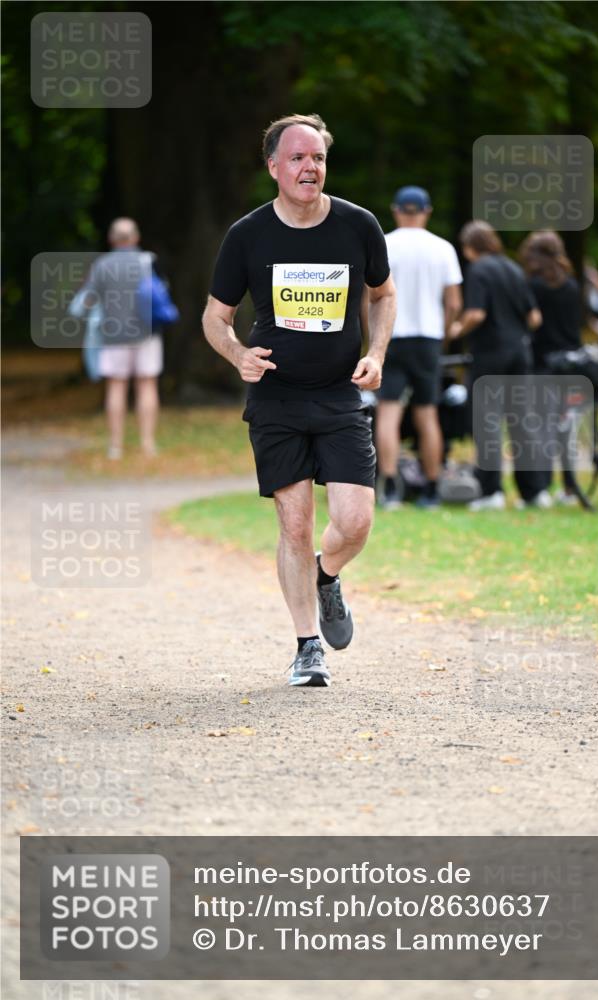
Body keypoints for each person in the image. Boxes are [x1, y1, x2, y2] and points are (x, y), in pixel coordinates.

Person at [202, 114, 396, 688]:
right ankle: (307, 645)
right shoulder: (248, 235)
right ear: (273, 168)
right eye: (297, 158)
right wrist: (237, 353)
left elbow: (382, 296)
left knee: (356, 522)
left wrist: (378, 352)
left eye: (317, 158)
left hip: (339, 394)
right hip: (277, 399)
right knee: (295, 524)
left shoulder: (359, 225)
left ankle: (326, 575)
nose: (309, 167)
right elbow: (216, 317)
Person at [449, 220, 548, 511]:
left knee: (487, 422)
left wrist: (456, 329)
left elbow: (477, 314)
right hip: (520, 353)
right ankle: (533, 492)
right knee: (521, 420)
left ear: (469, 247)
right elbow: (535, 318)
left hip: (490, 353)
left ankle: (491, 491)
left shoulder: (479, 270)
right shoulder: (514, 269)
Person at [375, 186, 462, 510]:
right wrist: (443, 335)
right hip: (428, 338)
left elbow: (369, 296)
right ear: (426, 211)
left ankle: (390, 486)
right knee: (427, 415)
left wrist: (372, 339)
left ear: (396, 210)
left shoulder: (384, 243)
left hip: (392, 335)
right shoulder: (442, 248)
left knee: (388, 413)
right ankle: (431, 487)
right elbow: (453, 303)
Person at [85, 218, 164, 460]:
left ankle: (115, 446)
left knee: (116, 387)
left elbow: (89, 299)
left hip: (113, 335)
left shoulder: (102, 265)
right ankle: (148, 444)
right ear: (135, 238)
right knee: (147, 385)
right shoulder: (147, 261)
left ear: (111, 239)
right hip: (146, 333)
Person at [519, 230, 582, 506]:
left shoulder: (534, 287)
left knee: (542, 428)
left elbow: (531, 323)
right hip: (572, 365)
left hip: (542, 364)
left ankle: (541, 487)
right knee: (566, 429)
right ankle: (570, 488)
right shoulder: (571, 285)